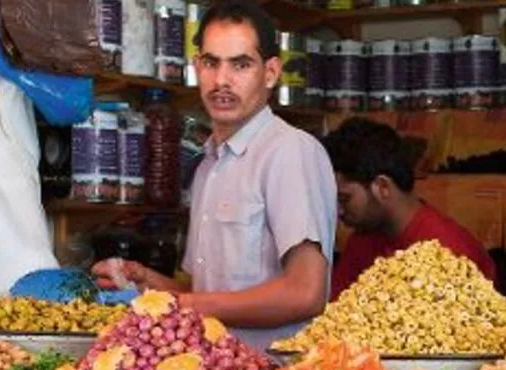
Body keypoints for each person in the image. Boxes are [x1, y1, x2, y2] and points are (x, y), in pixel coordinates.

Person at [93, 0, 336, 350]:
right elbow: (209, 296)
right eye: (211, 63)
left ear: (270, 73)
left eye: (241, 64)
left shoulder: (289, 152)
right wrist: (148, 285)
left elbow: (305, 293)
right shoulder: (209, 164)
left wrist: (182, 306)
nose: (222, 80)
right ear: (196, 67)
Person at [321, 117, 495, 299]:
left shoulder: (449, 252)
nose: (339, 210)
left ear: (382, 187)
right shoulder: (362, 240)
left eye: (344, 198)